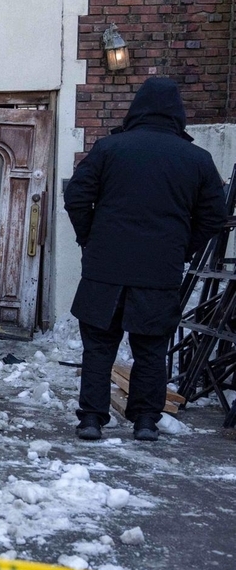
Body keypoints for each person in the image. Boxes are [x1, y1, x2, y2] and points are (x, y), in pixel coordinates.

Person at [65, 76, 225, 443]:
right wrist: (183, 249)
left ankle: (91, 419)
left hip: (105, 270)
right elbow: (213, 218)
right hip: (159, 272)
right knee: (151, 350)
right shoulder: (197, 160)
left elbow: (76, 197)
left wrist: (90, 239)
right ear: (178, 114)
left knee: (99, 347)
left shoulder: (108, 149)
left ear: (136, 109)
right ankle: (145, 422)